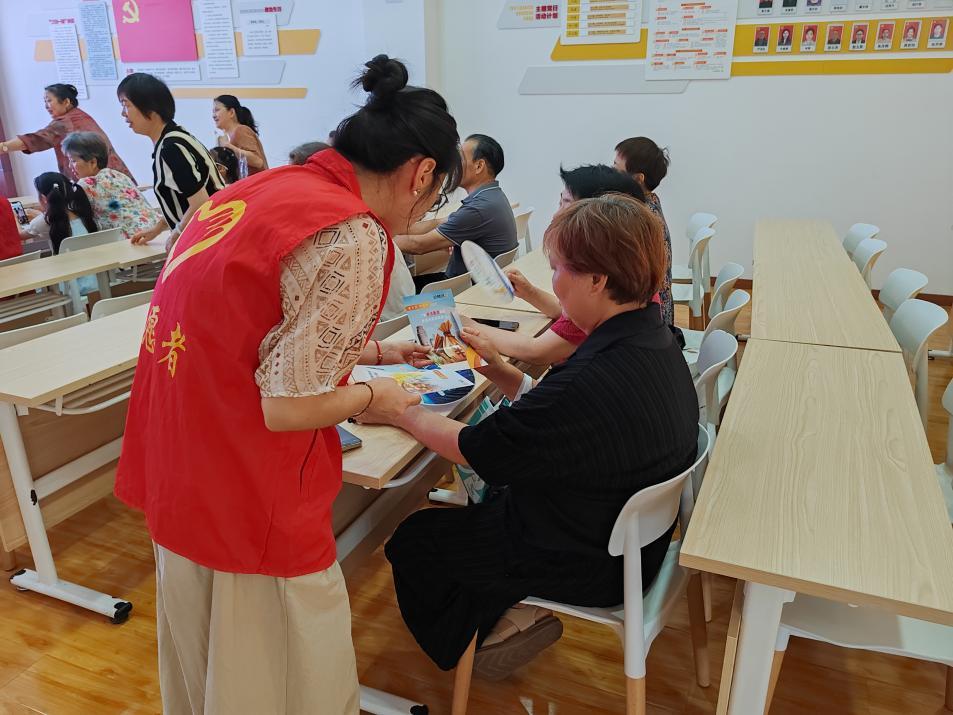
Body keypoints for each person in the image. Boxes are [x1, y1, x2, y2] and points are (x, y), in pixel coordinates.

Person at [113, 55, 461, 715]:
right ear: (421, 174)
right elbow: (286, 405)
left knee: (204, 654)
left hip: (182, 459)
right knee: (274, 672)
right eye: (435, 193)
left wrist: (373, 350)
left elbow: (257, 331)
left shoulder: (259, 190)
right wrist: (378, 396)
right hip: (248, 483)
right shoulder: (354, 234)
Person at [366, 194, 699, 680]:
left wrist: (399, 411)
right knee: (473, 518)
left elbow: (476, 449)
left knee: (417, 540)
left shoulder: (589, 379)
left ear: (597, 280)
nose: (555, 282)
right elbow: (551, 421)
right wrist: (497, 369)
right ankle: (506, 613)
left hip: (591, 561)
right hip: (631, 545)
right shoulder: (654, 339)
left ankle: (482, 637)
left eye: (559, 269)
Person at [470, 164, 649, 366]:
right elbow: (564, 312)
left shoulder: (599, 298)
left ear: (596, 213)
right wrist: (530, 292)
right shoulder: (632, 273)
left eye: (566, 204)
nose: (556, 215)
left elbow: (536, 352)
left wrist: (466, 325)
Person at [396, 133, 517, 289]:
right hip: (478, 285)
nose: (454, 166)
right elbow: (441, 222)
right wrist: (394, 230)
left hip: (462, 290)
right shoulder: (492, 196)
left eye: (460, 159)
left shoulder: (478, 208)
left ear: (479, 166)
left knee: (397, 290)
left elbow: (418, 246)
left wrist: (380, 240)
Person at [117, 73, 225, 247]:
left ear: (149, 108)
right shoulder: (174, 137)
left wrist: (177, 233)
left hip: (212, 238)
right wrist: (157, 229)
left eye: (126, 105)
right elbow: (183, 200)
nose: (123, 113)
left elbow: (200, 202)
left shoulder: (171, 148)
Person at [0, 84, 133, 182]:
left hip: (102, 182)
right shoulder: (79, 115)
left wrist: (3, 147)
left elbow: (36, 139)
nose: (46, 106)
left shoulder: (66, 122)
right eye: (44, 102)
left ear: (66, 102)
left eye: (49, 101)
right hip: (117, 178)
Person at [614, 137, 674, 325]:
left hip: (652, 318)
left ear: (638, 178)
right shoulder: (649, 200)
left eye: (617, 170)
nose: (610, 174)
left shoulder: (641, 217)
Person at [62, 131, 160, 242]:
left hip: (131, 240)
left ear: (93, 162)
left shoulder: (86, 184)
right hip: (155, 232)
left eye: (73, 160)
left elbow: (68, 213)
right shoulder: (119, 175)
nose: (69, 166)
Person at [32, 171, 97, 254]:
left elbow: (20, 235)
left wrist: (16, 219)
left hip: (67, 262)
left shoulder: (45, 220)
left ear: (44, 198)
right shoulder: (82, 214)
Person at [212, 94, 268, 178]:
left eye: (217, 110)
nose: (213, 115)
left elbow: (258, 161)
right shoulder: (226, 138)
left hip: (257, 183)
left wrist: (229, 147)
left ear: (231, 112)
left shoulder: (241, 130)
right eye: (213, 112)